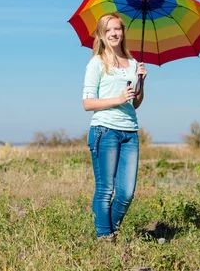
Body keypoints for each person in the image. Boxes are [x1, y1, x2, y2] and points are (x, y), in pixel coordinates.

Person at [82, 12, 147, 241]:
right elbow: (87, 103)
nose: (113, 33)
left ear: (123, 32)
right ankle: (105, 238)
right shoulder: (97, 63)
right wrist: (117, 99)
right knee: (105, 189)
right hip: (104, 131)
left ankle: (110, 229)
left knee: (127, 193)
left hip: (129, 131)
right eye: (108, 30)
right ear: (101, 34)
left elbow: (135, 103)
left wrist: (141, 82)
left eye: (117, 29)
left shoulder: (132, 64)